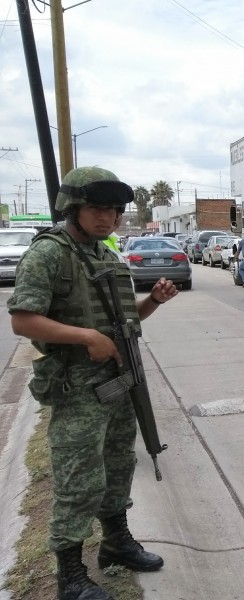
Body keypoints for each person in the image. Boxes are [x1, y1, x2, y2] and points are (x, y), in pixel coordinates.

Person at [7, 167, 174, 600]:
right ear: (73, 208)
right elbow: (23, 320)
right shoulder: (50, 254)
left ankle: (116, 545)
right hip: (77, 385)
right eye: (98, 209)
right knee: (79, 478)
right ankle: (70, 576)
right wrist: (85, 337)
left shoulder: (105, 256)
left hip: (118, 380)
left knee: (119, 465)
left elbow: (123, 320)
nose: (108, 219)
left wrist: (152, 301)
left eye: (115, 211)